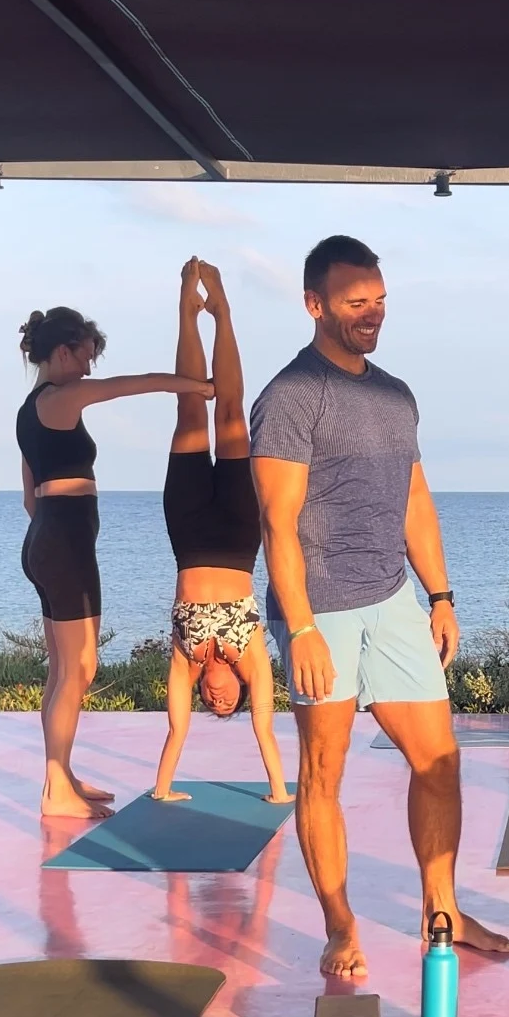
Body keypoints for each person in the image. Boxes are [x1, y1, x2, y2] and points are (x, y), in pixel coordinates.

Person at [249, 234, 509, 980]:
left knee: (439, 759)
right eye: (356, 302)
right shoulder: (290, 397)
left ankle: (443, 909)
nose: (372, 314)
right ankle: (340, 927)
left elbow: (416, 500)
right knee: (323, 774)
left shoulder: (396, 396)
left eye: (380, 301)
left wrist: (441, 593)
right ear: (315, 305)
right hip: (321, 608)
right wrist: (298, 625)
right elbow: (279, 521)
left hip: (394, 595)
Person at [17, 306, 211, 820]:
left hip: (45, 540)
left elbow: (29, 499)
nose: (88, 370)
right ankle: (57, 789)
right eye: (84, 358)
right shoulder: (62, 397)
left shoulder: (28, 410)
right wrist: (196, 386)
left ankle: (61, 775)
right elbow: (131, 385)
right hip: (64, 544)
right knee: (80, 668)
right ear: (63, 351)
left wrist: (58, 535)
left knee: (62, 669)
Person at [152, 260, 292, 806]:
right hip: (237, 535)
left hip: (186, 534)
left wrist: (163, 790)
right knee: (230, 411)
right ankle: (224, 310)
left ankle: (187, 303)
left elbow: (176, 730)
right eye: (226, 703)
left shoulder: (186, 662)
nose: (217, 700)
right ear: (239, 691)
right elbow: (266, 730)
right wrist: (279, 791)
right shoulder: (251, 658)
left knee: (191, 410)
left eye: (213, 704)